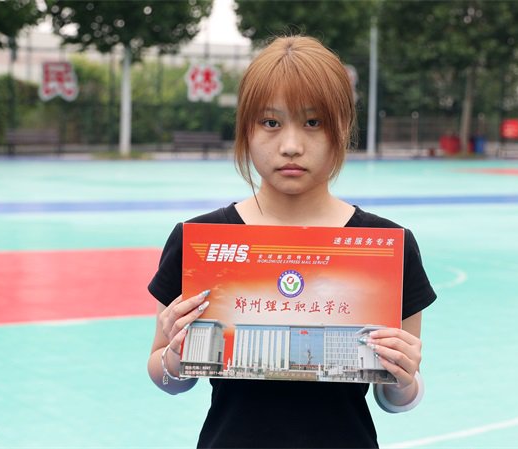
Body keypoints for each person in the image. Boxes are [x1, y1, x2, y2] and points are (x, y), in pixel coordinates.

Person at [147, 35, 437, 448]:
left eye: (313, 123)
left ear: (342, 128)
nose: (291, 146)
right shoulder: (200, 242)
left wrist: (404, 379)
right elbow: (166, 377)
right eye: (270, 123)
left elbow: (395, 398)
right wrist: (174, 356)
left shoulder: (386, 246)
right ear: (246, 129)